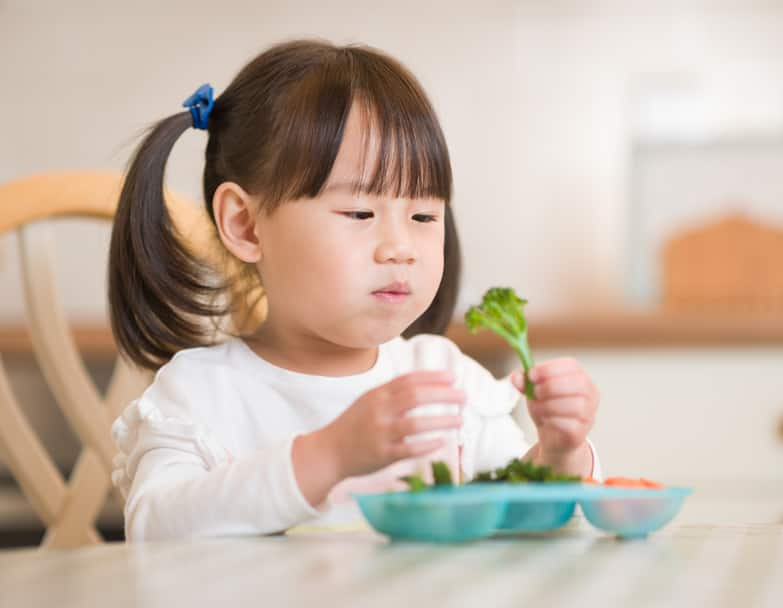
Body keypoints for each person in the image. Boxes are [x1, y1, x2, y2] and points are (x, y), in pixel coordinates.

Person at [108, 39, 603, 541]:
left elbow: (525, 523)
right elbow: (153, 531)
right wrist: (330, 455)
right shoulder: (202, 394)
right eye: (360, 214)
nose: (401, 248)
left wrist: (560, 454)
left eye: (424, 216)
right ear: (247, 225)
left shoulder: (444, 379)